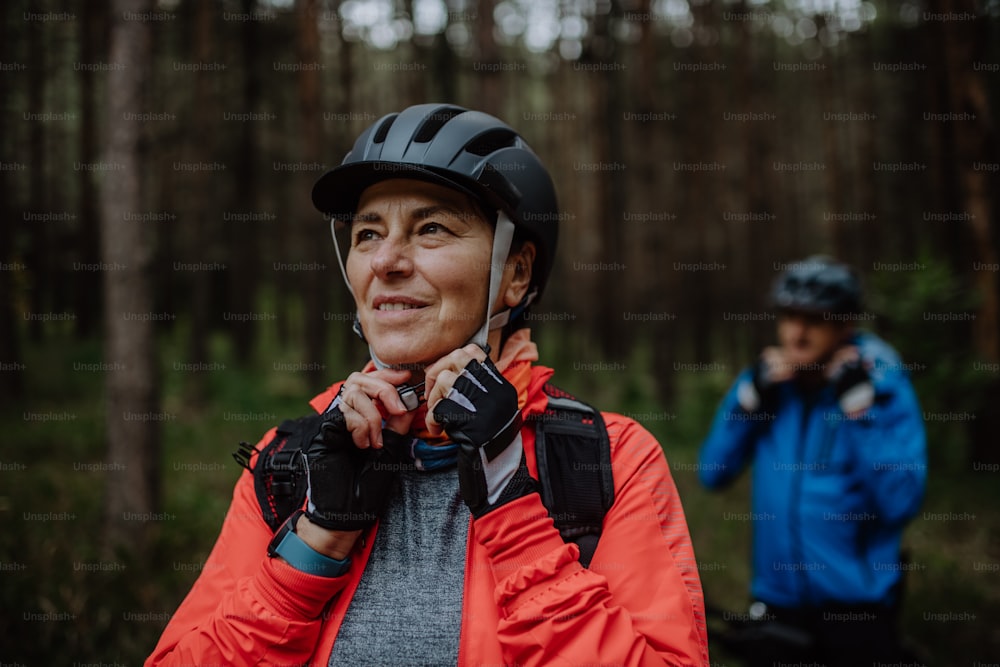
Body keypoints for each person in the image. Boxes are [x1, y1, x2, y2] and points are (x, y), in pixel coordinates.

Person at [147, 104, 709, 666]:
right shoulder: (290, 463)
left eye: (432, 228)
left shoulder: (605, 458)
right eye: (368, 233)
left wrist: (512, 507)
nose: (386, 260)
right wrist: (315, 544)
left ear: (515, 274)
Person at [698, 256, 927, 666]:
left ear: (845, 326)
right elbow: (712, 472)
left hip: (855, 607)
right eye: (789, 316)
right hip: (776, 599)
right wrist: (749, 400)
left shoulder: (883, 386)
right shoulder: (768, 385)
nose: (797, 332)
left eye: (815, 319)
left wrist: (860, 411)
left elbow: (902, 500)